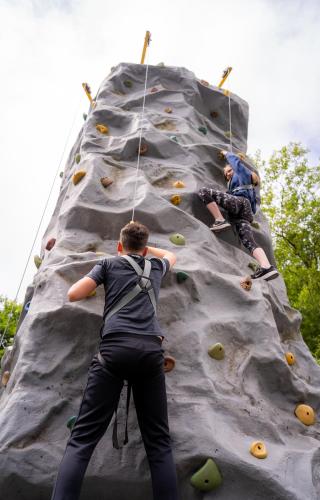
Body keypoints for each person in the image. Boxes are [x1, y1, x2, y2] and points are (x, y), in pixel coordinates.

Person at [51, 222, 179, 500]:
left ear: (119, 246)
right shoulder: (155, 267)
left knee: (82, 440)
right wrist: (146, 250)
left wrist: (118, 258)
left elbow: (74, 293)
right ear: (145, 249)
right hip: (150, 352)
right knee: (159, 443)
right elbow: (171, 255)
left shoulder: (109, 264)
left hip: (115, 350)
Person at [198, 150, 279, 281]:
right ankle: (266, 267)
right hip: (244, 213)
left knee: (203, 192)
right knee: (248, 241)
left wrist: (226, 154)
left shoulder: (242, 175)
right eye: (226, 174)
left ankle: (219, 220)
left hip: (240, 203)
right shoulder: (243, 187)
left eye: (229, 171)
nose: (227, 174)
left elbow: (236, 163)